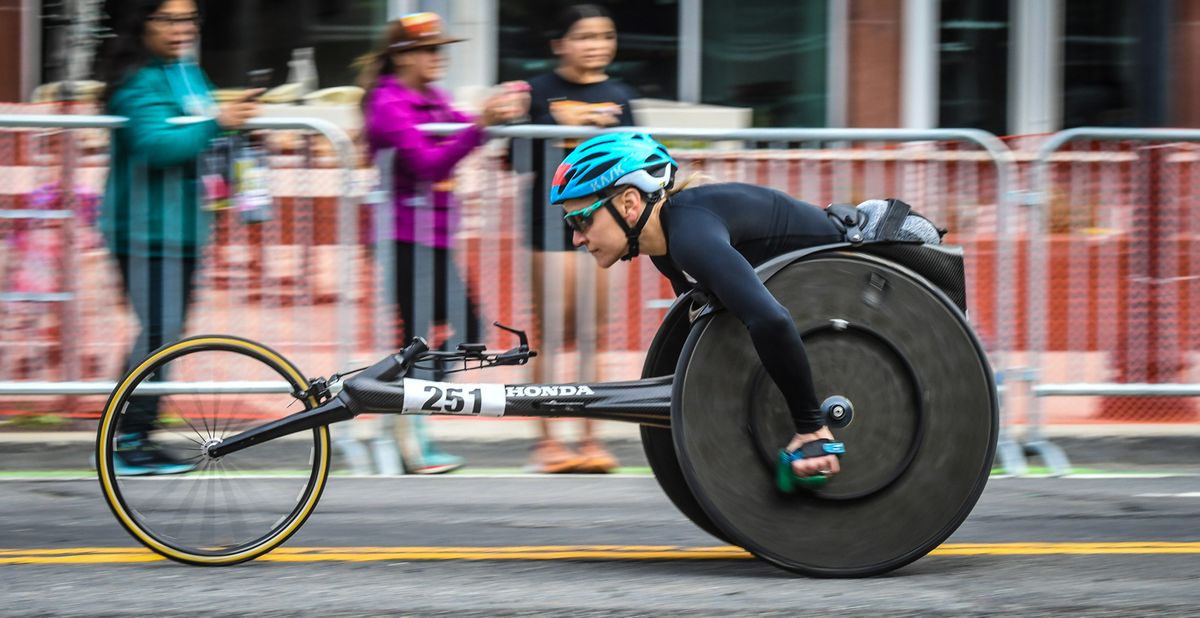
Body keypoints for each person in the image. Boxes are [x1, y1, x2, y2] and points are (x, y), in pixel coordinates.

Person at [550, 132, 847, 482]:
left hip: (875, 254)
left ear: (629, 204)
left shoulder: (689, 237)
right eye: (570, 224)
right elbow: (712, 337)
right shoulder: (666, 250)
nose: (576, 239)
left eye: (582, 220)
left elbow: (771, 321)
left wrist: (811, 427)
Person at [357, 12, 528, 474]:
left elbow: (463, 129)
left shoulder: (432, 97)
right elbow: (430, 164)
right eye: (431, 49)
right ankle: (406, 427)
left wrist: (493, 115)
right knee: (423, 338)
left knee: (463, 331)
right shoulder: (388, 104)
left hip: (430, 238)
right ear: (404, 56)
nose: (440, 57)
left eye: (441, 48)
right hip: (402, 239)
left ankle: (403, 415)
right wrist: (480, 125)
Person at [96, 0, 259, 475]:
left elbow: (209, 137)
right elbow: (156, 144)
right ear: (141, 23)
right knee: (159, 333)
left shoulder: (190, 74)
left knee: (165, 334)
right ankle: (127, 438)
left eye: (188, 19)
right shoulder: (135, 80)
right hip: (142, 230)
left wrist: (240, 133)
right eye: (168, 19)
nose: (181, 28)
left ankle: (133, 434)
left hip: (185, 227)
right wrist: (218, 123)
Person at [520, 3, 636, 474]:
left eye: (605, 36)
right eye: (585, 37)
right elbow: (517, 159)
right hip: (549, 222)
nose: (597, 46)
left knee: (593, 334)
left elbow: (638, 159)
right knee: (550, 332)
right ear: (559, 45)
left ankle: (591, 436)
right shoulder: (537, 92)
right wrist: (564, 132)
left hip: (605, 223)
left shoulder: (620, 95)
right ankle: (548, 441)